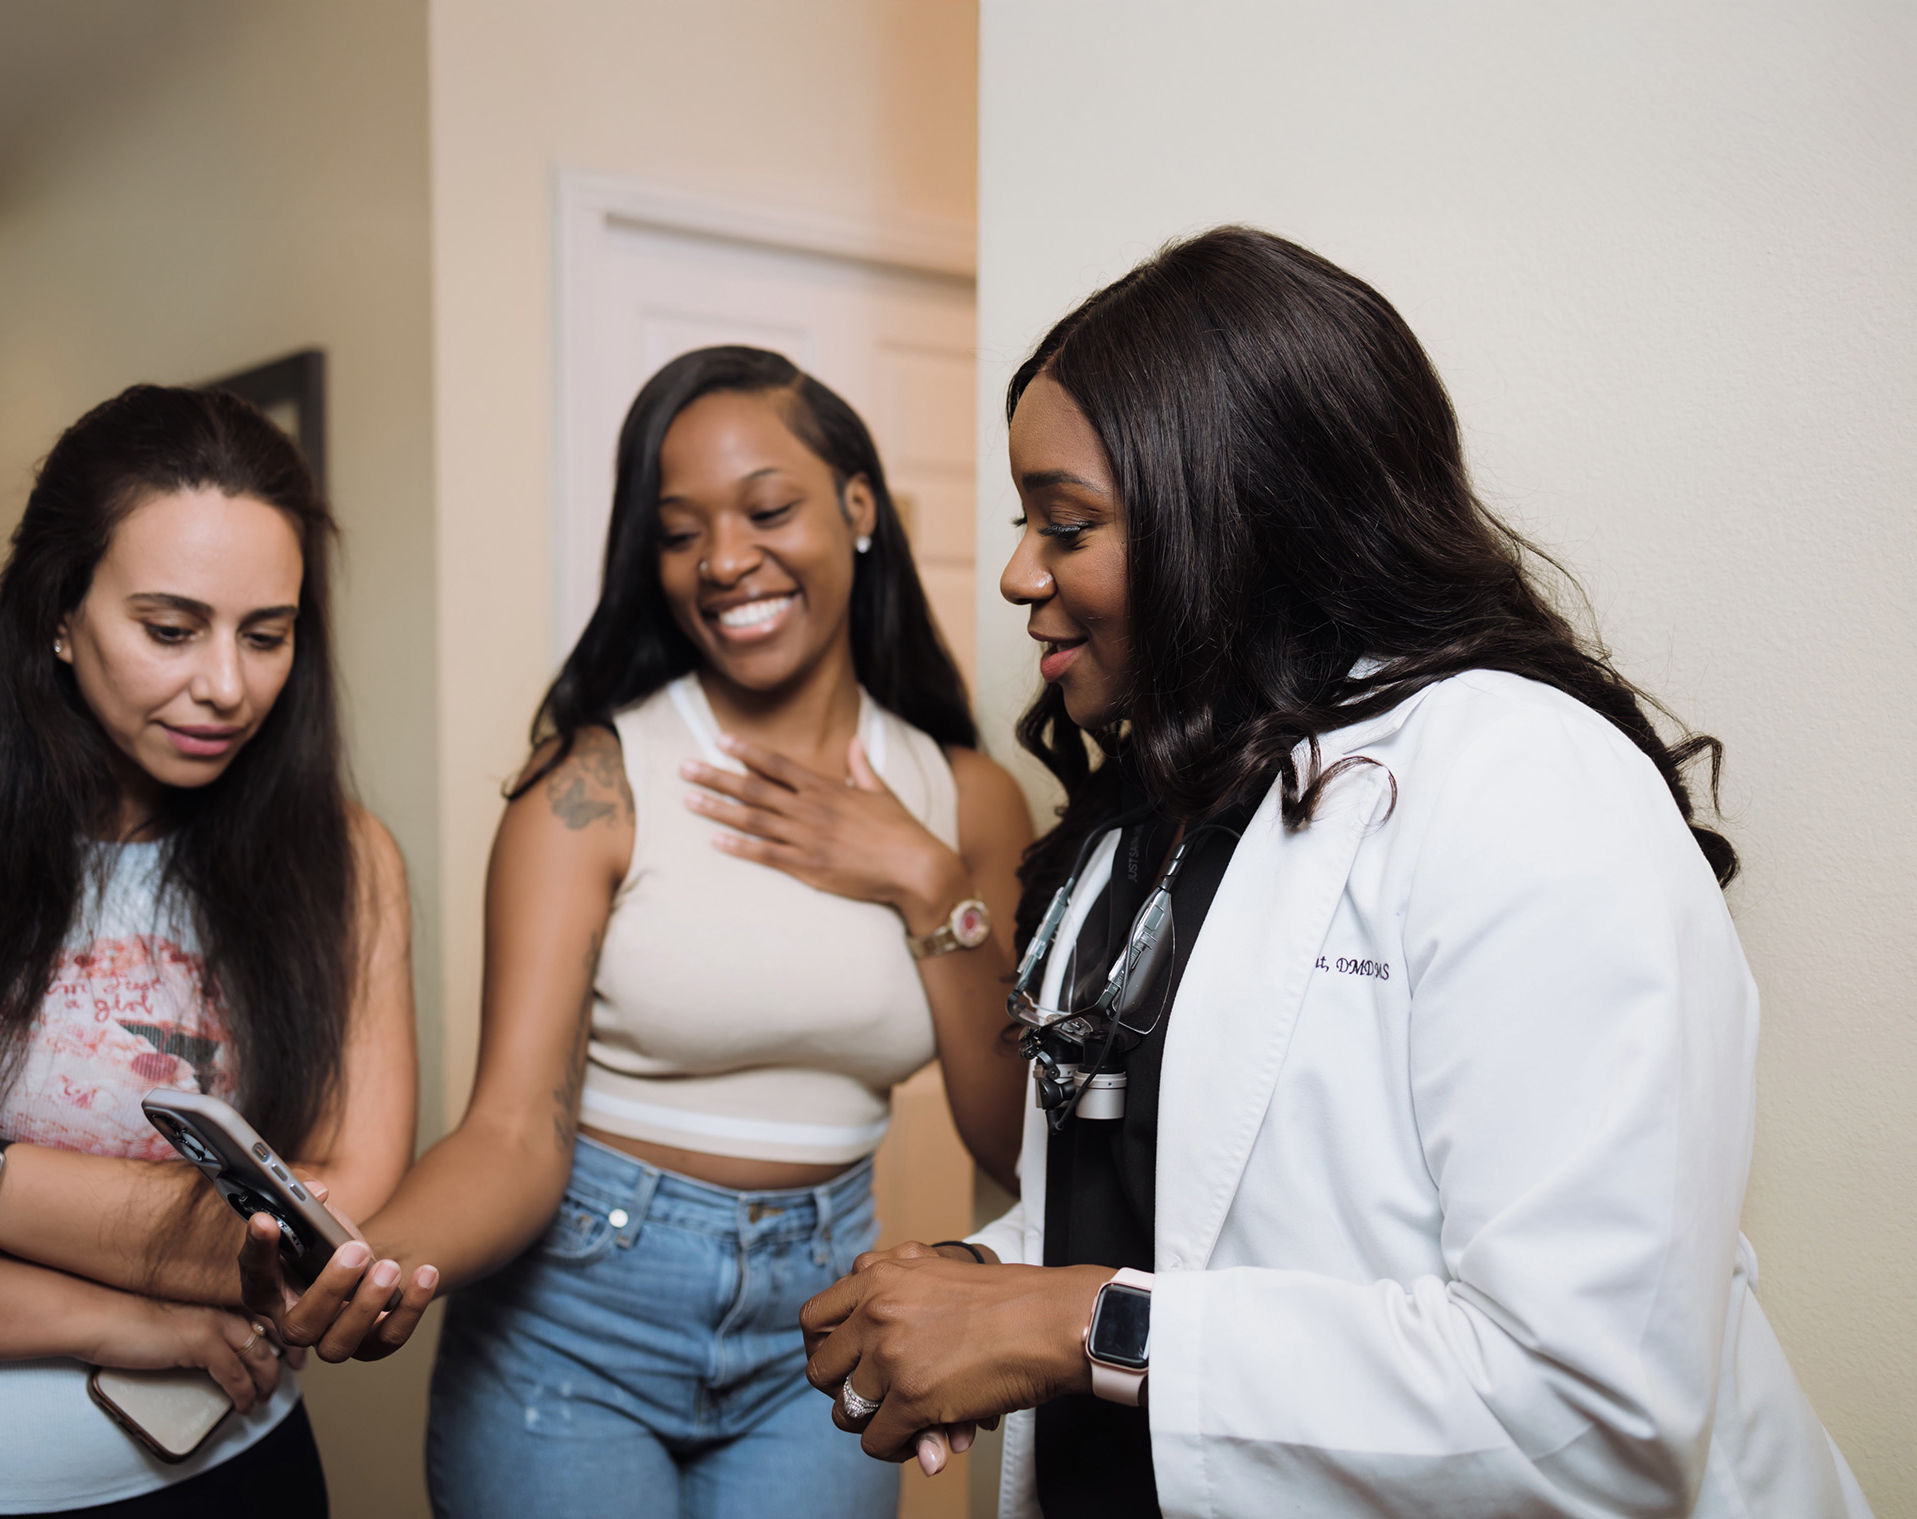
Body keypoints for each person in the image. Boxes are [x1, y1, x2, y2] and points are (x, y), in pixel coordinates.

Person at [798, 229, 1874, 1518]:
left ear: (1238, 520)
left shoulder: (1521, 779)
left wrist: (1051, 1317)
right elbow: (1190, 1206)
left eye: (1066, 522)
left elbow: (1591, 1411)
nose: (1019, 572)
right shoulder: (1160, 803)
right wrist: (980, 1279)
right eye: (1022, 520)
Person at [249, 346, 1032, 1518]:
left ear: (857, 505)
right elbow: (511, 1132)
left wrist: (921, 879)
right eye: (678, 532)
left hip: (822, 1337)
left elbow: (1011, 1135)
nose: (724, 560)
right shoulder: (594, 783)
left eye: (767, 508)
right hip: (574, 1335)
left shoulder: (964, 801)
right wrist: (364, 1264)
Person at [0, 386, 420, 1517]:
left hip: (236, 1479)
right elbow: (250, 1236)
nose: (227, 687)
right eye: (169, 628)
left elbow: (315, 1233)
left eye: (266, 633)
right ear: (57, 610)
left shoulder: (344, 860)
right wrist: (129, 1318)